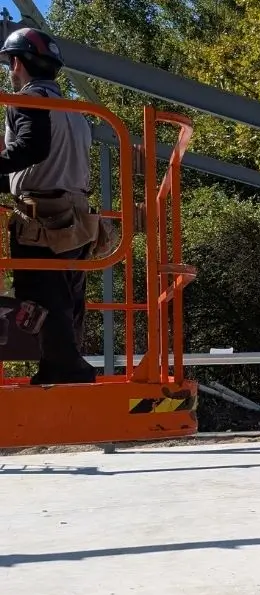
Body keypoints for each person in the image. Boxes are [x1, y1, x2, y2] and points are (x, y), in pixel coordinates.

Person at [0, 27, 98, 384]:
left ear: (16, 64)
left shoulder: (28, 101)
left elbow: (32, 148)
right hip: (75, 215)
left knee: (39, 293)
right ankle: (63, 364)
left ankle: (66, 369)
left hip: (44, 216)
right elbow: (44, 164)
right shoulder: (74, 111)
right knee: (66, 293)